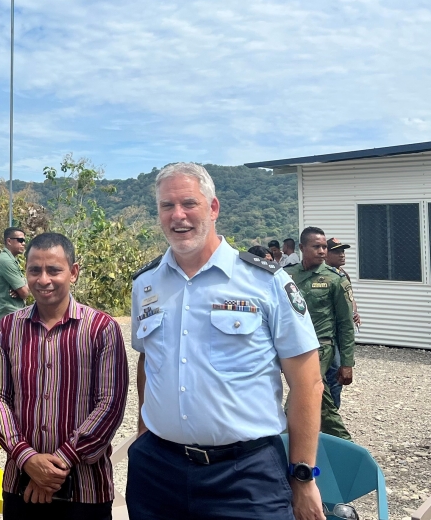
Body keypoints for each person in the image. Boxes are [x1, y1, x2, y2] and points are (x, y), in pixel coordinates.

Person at [127, 163, 325, 520]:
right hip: (158, 472)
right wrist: (144, 433)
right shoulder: (146, 285)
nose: (178, 216)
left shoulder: (266, 282)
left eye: (189, 203)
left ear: (213, 207)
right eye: (166, 206)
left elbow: (308, 382)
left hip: (245, 475)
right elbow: (148, 360)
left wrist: (303, 474)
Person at [0, 232, 129, 520]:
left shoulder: (101, 329)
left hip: (85, 491)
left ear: (73, 272)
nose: (43, 279)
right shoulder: (8, 329)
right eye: (34, 270)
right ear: (24, 272)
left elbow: (110, 404)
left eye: (54, 270)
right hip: (21, 485)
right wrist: (27, 458)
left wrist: (57, 464)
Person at [286, 228, 354, 440]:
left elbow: (345, 323)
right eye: (316, 247)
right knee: (319, 398)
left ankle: (281, 442)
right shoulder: (287, 275)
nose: (322, 251)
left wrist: (347, 362)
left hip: (320, 347)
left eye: (324, 247)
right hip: (290, 346)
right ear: (302, 248)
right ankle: (342, 446)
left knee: (301, 395)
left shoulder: (335, 279)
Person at [322, 238, 359, 409]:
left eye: (343, 251)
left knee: (336, 376)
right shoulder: (320, 275)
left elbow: (350, 298)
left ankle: (331, 412)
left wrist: (354, 312)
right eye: (337, 251)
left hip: (341, 332)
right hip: (325, 333)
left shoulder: (343, 274)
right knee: (331, 374)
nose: (342, 254)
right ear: (326, 254)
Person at [0, 226, 29, 325]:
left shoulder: (12, 260)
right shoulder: (6, 261)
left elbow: (23, 289)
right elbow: (25, 293)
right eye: (20, 240)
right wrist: (23, 286)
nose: (23, 243)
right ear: (9, 241)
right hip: (8, 319)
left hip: (13, 317)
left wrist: (22, 285)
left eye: (24, 240)